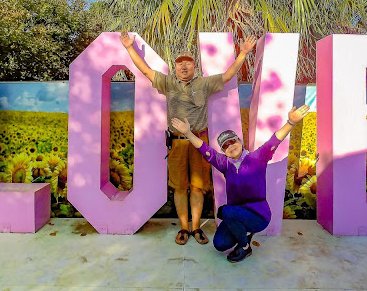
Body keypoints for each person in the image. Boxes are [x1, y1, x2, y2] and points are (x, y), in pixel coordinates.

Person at [119, 31, 257, 245]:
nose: (184, 67)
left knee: (198, 187)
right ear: (175, 67)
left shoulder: (204, 83)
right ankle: (184, 227)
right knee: (179, 187)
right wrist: (129, 47)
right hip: (176, 144)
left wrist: (243, 53)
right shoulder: (168, 83)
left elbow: (228, 75)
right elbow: (145, 70)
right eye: (179, 63)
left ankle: (195, 228)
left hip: (199, 144)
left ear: (195, 67)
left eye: (188, 63)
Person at [170, 104, 311, 262]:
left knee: (226, 211)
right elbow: (205, 150)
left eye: (232, 141)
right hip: (236, 215)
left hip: (258, 215)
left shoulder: (258, 158)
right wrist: (188, 133)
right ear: (223, 151)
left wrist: (291, 123)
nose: (230, 146)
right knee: (220, 244)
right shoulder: (224, 164)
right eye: (225, 146)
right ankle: (246, 233)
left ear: (239, 140)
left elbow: (275, 140)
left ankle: (245, 246)